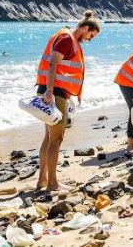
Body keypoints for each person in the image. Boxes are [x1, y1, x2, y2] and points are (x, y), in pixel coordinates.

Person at [35, 10, 100, 191]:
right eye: (91, 35)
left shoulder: (68, 38)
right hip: (53, 92)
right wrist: (49, 91)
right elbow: (53, 64)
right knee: (56, 138)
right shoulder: (66, 39)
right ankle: (52, 183)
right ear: (85, 28)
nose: (89, 39)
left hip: (55, 91)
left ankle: (42, 181)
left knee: (49, 138)